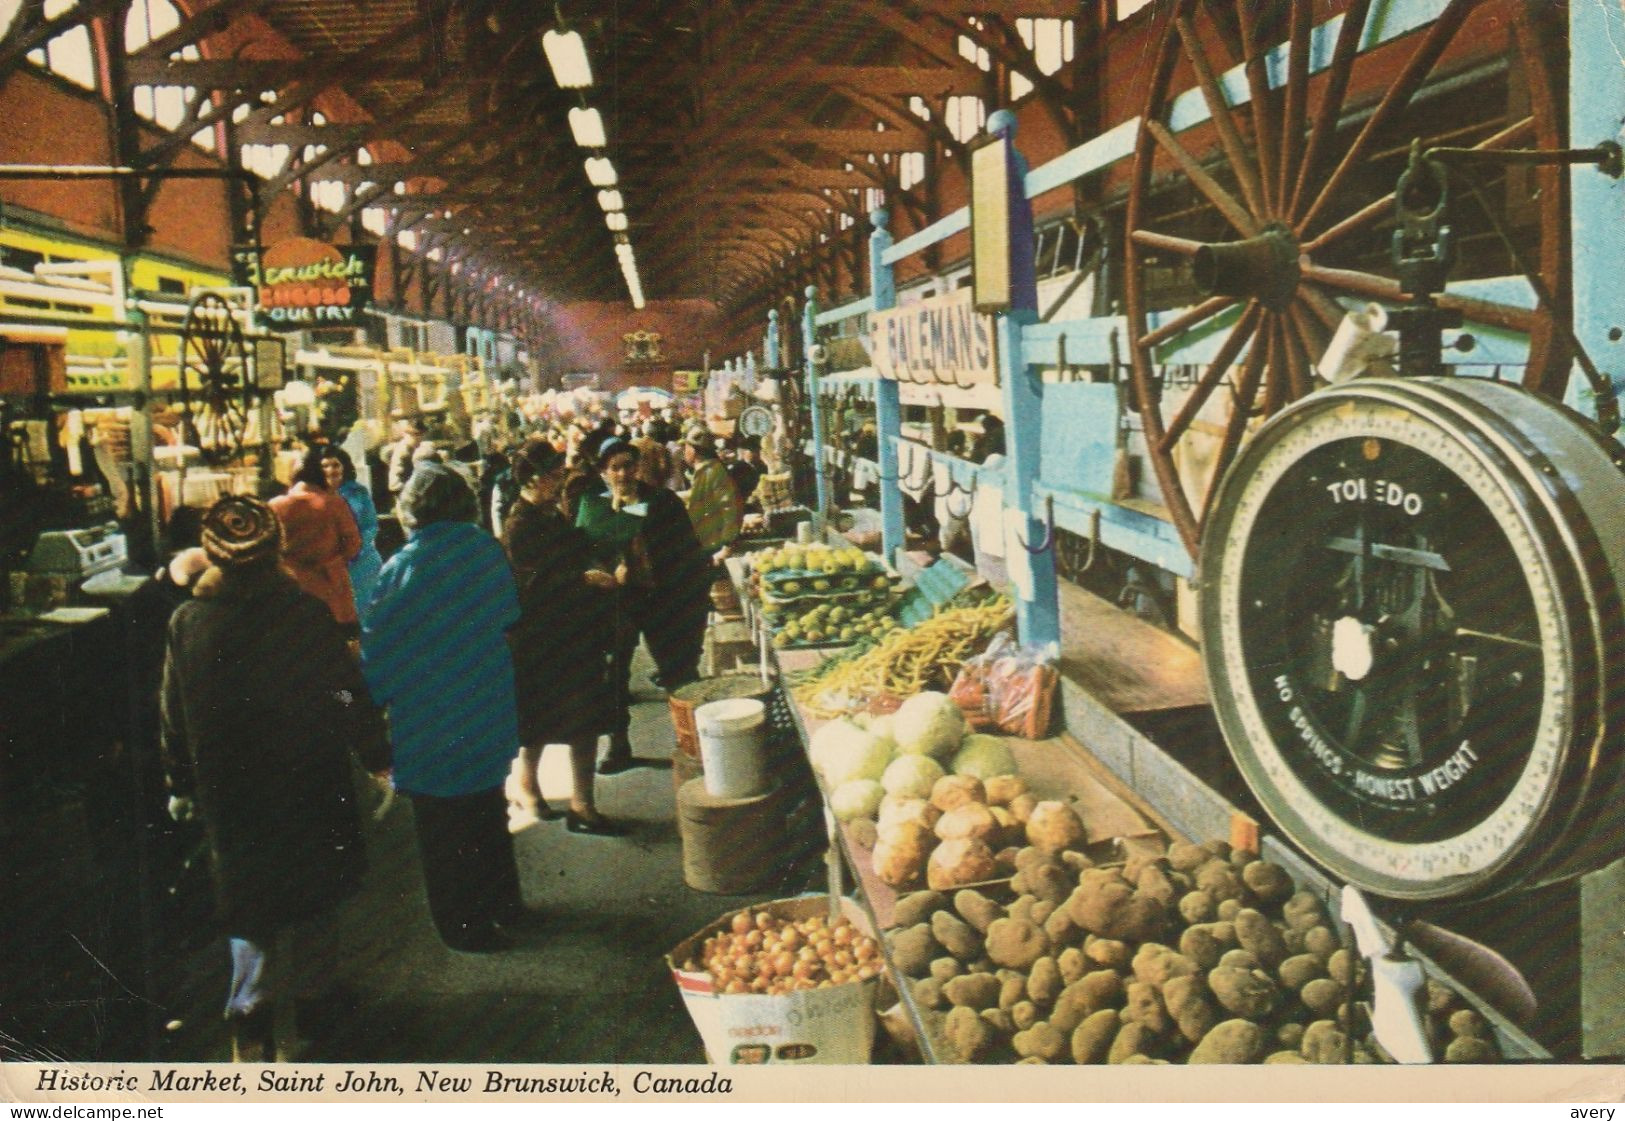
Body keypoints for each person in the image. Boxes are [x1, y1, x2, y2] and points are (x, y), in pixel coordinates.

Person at [160, 496, 391, 1061]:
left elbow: (175, 711)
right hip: (309, 776)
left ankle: (250, 1019)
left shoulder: (189, 622)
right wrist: (374, 751)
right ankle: (316, 1005)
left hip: (231, 788)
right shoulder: (305, 614)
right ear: (275, 552)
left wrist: (181, 784)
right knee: (316, 891)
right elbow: (342, 689)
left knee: (251, 900)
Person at [361, 463, 529, 952]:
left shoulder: (399, 568)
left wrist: (366, 704)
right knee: (487, 810)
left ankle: (464, 926)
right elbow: (510, 615)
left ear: (411, 510)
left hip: (427, 716)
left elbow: (377, 647)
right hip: (485, 701)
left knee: (442, 830)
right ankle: (505, 903)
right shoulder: (485, 550)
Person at [501, 439, 626, 836]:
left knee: (567, 719)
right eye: (555, 475)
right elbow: (533, 585)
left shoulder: (547, 513)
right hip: (544, 636)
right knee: (558, 721)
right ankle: (556, 797)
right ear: (535, 478)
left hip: (568, 631)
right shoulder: (520, 524)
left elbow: (574, 549)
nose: (560, 481)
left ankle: (561, 797)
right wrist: (584, 577)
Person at [576, 436, 708, 772]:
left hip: (662, 599)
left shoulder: (662, 502)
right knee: (614, 677)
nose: (623, 474)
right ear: (604, 473)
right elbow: (582, 552)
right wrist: (607, 569)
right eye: (615, 468)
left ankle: (694, 744)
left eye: (628, 466)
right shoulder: (593, 506)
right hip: (617, 603)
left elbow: (686, 549)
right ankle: (619, 747)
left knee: (678, 672)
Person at [269, 445, 363, 634]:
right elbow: (353, 543)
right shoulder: (334, 503)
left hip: (292, 588)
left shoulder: (275, 506)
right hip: (331, 587)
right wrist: (335, 561)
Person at [319, 444, 383, 625]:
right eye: (325, 466)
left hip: (363, 562)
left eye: (335, 465)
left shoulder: (358, 492)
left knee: (369, 617)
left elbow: (371, 525)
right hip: (331, 564)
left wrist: (356, 550)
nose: (331, 470)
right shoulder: (314, 496)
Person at [682, 424, 742, 567]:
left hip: (715, 548)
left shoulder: (713, 471)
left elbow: (730, 508)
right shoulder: (704, 471)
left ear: (692, 449)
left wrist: (727, 546)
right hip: (704, 546)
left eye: (685, 447)